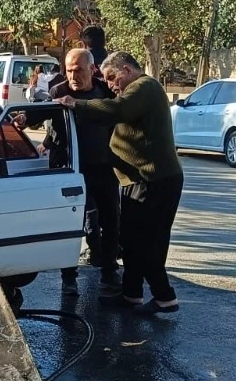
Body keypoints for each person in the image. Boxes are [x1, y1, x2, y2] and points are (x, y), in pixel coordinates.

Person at [53, 51, 183, 315]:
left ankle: (164, 296)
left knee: (147, 242)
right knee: (131, 239)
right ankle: (131, 294)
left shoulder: (144, 87)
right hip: (138, 179)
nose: (111, 86)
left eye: (113, 79)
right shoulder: (134, 89)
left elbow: (117, 110)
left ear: (126, 69)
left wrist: (76, 104)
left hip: (154, 180)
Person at [14, 48, 120, 298]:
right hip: (68, 171)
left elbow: (120, 115)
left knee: (110, 223)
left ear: (92, 70)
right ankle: (69, 277)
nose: (73, 76)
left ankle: (109, 273)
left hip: (103, 169)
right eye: (69, 70)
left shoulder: (105, 91)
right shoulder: (58, 91)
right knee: (70, 226)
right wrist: (24, 118)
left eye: (79, 70)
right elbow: (42, 113)